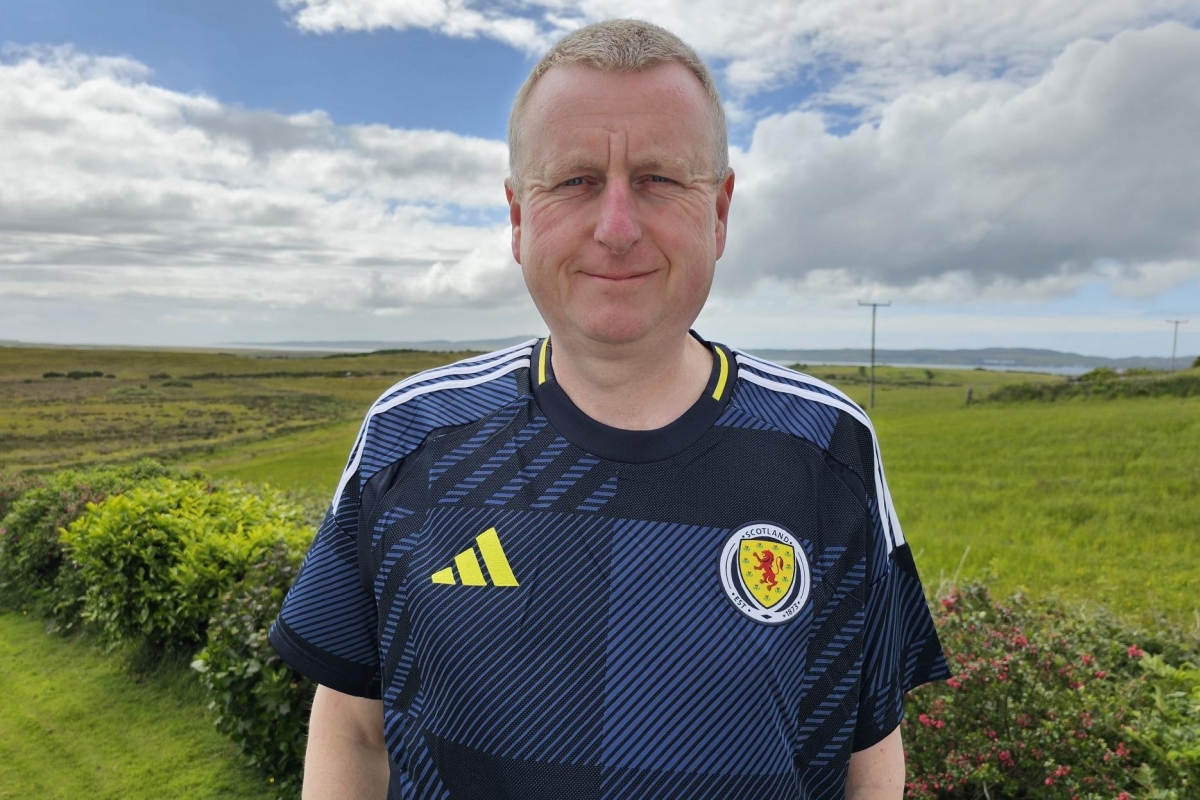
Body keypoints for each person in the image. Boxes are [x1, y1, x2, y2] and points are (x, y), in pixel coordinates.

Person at [270, 19, 949, 800]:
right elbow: (353, 729)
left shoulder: (829, 448)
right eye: (575, 181)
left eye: (660, 178)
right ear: (519, 215)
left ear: (720, 211)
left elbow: (869, 756)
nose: (617, 228)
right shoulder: (409, 437)